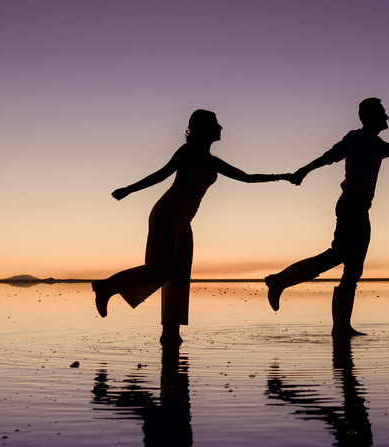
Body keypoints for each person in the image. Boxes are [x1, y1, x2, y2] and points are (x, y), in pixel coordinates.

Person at [93, 109, 293, 344]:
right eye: (216, 125)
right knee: (160, 270)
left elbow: (246, 177)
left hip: (184, 219)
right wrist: (129, 189)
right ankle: (107, 286)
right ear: (202, 129)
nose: (221, 128)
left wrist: (284, 176)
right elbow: (161, 174)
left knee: (179, 276)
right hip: (167, 213)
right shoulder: (187, 152)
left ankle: (171, 332)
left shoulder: (213, 161)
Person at [264, 98, 389, 335]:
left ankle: (341, 328)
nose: (387, 118)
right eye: (383, 113)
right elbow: (329, 156)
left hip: (361, 208)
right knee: (339, 256)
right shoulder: (355, 138)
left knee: (353, 268)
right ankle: (279, 282)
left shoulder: (379, 146)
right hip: (350, 205)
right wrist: (303, 171)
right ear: (371, 117)